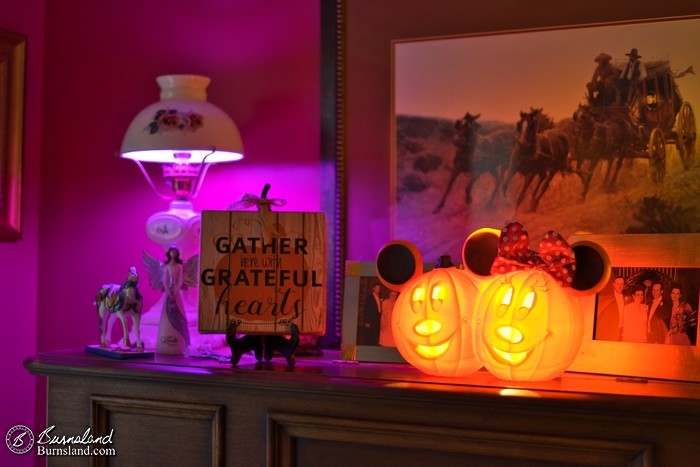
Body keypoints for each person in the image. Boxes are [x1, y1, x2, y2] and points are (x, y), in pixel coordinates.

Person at [157, 247, 190, 354]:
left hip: (176, 293)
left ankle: (180, 343)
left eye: (175, 252)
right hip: (169, 293)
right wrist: (169, 292)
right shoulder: (166, 266)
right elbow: (165, 281)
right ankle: (166, 342)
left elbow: (180, 281)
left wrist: (175, 292)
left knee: (179, 314)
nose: (173, 254)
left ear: (177, 254)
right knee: (166, 315)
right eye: (171, 252)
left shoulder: (180, 266)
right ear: (169, 253)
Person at [595, 275, 628, 341]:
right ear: (614, 285)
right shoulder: (607, 298)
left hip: (624, 330)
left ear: (624, 285)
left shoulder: (627, 298)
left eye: (622, 284)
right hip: (611, 329)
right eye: (618, 284)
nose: (620, 286)